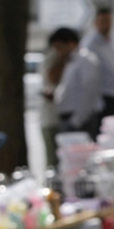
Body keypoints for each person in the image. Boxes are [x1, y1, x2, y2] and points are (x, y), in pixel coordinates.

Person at [49, 27, 105, 138]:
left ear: (70, 43)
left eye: (59, 47)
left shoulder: (86, 60)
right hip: (70, 118)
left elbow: (89, 92)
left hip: (81, 120)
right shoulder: (71, 61)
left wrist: (77, 121)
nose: (57, 52)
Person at [82, 5, 114, 129]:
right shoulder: (90, 45)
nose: (106, 25)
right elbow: (89, 77)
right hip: (104, 101)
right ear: (95, 23)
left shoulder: (111, 42)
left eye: (108, 21)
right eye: (103, 22)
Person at [37, 40, 67, 169]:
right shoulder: (53, 58)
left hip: (58, 117)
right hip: (50, 118)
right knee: (53, 161)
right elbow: (51, 77)